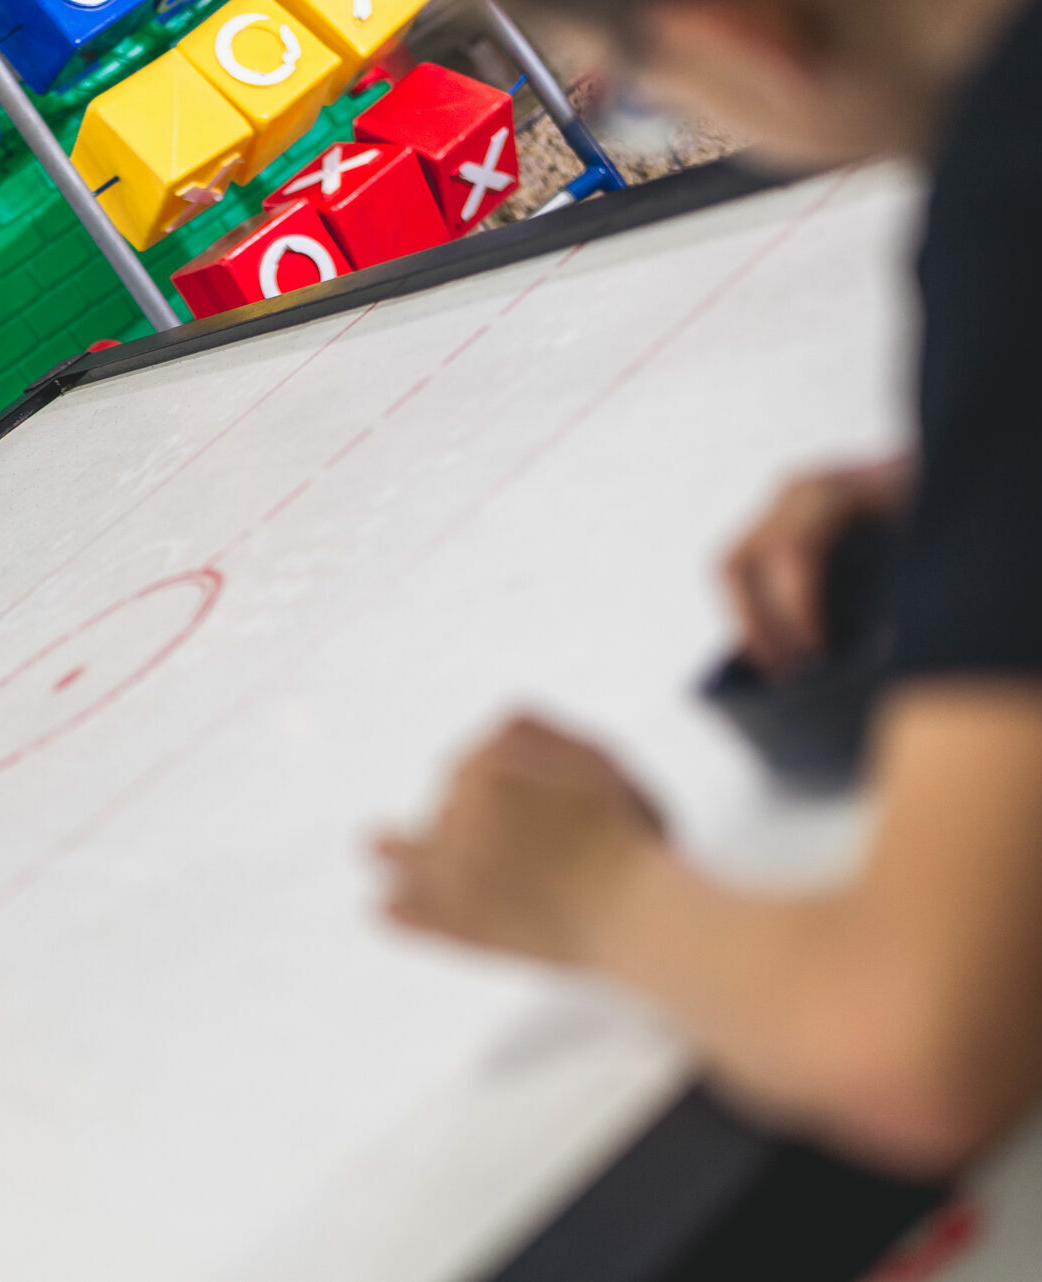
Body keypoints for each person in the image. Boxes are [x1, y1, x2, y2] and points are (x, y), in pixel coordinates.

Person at [372, 0, 1042, 1178]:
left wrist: (593, 889)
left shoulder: (1010, 188)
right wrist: (981, 483)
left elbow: (924, 1039)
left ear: (733, 33)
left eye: (643, 94)